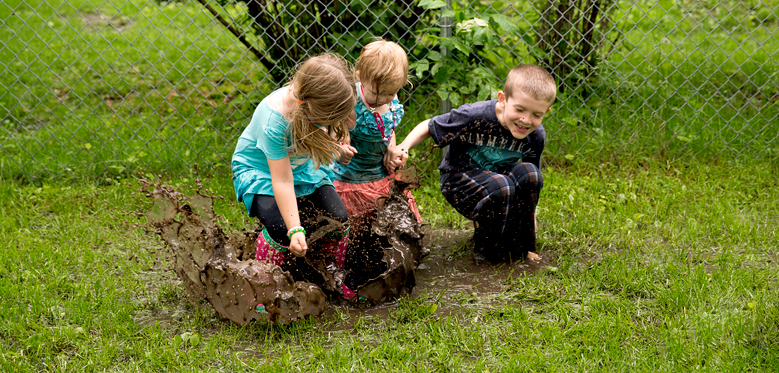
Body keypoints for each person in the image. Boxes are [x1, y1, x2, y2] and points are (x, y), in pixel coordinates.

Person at [388, 64, 556, 263]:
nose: (526, 120)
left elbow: (530, 188)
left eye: (536, 115)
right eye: (519, 109)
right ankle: (487, 250)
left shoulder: (536, 136)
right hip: (459, 180)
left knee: (531, 174)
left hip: (499, 182)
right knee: (502, 187)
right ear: (503, 100)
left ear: (546, 111)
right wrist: (404, 146)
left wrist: (529, 219)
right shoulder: (476, 116)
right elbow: (429, 125)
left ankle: (523, 246)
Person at [231, 53, 359, 298]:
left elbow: (337, 130)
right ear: (313, 109)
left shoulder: (318, 103)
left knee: (338, 218)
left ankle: (331, 277)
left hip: (302, 167)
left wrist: (339, 148)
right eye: (331, 118)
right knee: (280, 227)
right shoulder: (275, 121)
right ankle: (264, 289)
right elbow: (282, 180)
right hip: (262, 173)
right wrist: (295, 229)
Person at [324, 39, 421, 224]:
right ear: (360, 76)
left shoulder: (390, 100)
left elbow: (388, 128)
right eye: (377, 93)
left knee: (393, 226)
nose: (383, 99)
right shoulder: (350, 103)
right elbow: (332, 137)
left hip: (381, 177)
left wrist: (392, 150)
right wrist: (340, 150)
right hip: (350, 181)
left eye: (390, 93)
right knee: (355, 232)